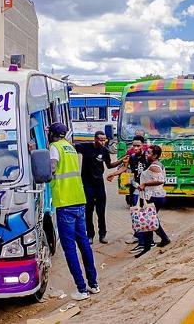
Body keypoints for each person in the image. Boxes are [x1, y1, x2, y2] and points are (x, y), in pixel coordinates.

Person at [48, 122, 99, 301]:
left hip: (65, 202)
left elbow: (51, 169)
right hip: (79, 200)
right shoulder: (69, 147)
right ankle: (93, 284)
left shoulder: (54, 148)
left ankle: (81, 289)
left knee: (69, 248)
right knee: (83, 243)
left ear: (53, 134)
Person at [75, 131, 125, 245]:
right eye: (100, 139)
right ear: (95, 139)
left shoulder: (104, 151)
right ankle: (90, 235)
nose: (103, 142)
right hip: (87, 184)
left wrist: (122, 160)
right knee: (88, 211)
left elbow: (109, 165)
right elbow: (71, 147)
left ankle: (102, 235)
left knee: (101, 211)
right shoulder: (86, 147)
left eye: (104, 140)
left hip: (99, 184)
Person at [107, 135, 152, 252]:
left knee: (143, 215)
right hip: (135, 189)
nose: (135, 147)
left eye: (138, 145)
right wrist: (114, 174)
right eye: (134, 145)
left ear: (143, 145)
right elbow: (124, 168)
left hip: (145, 190)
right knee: (136, 213)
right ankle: (140, 238)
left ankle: (144, 242)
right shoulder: (132, 157)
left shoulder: (148, 158)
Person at [135, 145, 171, 258]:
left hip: (154, 196)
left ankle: (149, 246)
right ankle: (160, 240)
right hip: (155, 196)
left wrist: (144, 184)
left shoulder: (155, 166)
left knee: (148, 221)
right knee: (151, 220)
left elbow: (160, 180)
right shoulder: (155, 164)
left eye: (149, 153)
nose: (147, 154)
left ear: (155, 155)